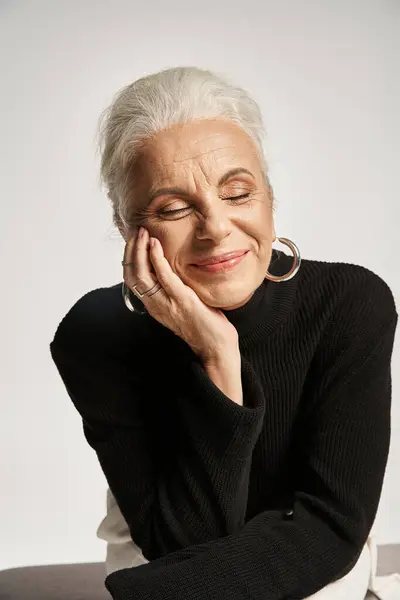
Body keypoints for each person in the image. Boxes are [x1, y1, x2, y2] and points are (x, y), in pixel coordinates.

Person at [50, 66, 398, 600]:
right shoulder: (96, 338)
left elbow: (329, 529)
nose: (215, 228)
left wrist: (145, 594)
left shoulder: (350, 304)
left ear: (270, 199)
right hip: (167, 562)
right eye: (173, 208)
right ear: (128, 229)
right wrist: (216, 357)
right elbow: (182, 542)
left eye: (237, 193)